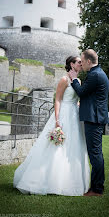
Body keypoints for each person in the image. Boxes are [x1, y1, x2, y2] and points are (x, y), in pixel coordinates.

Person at [13, 56, 90, 196]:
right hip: (64, 115)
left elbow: (78, 98)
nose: (81, 63)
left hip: (74, 115)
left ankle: (71, 181)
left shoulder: (78, 80)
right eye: (79, 62)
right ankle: (45, 181)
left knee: (74, 146)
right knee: (57, 147)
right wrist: (57, 120)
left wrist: (78, 105)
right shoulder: (64, 80)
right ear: (72, 65)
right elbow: (58, 100)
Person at [69, 49, 109, 197]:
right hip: (95, 117)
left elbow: (81, 92)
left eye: (82, 61)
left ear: (88, 61)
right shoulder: (97, 73)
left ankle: (97, 189)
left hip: (94, 119)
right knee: (96, 153)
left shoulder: (95, 75)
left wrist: (73, 78)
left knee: (95, 154)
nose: (81, 64)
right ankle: (97, 186)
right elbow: (90, 96)